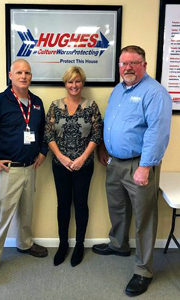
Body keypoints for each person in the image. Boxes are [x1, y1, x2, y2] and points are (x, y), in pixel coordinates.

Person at [92, 46, 172, 297]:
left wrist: (146, 167)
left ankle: (143, 270)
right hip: (115, 162)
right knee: (117, 208)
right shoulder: (118, 90)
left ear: (144, 65)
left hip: (140, 164)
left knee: (144, 218)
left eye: (133, 63)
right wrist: (104, 148)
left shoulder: (155, 92)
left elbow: (157, 134)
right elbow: (112, 123)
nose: (127, 67)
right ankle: (118, 244)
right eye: (123, 63)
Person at [0, 59, 48, 288]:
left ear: (31, 77)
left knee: (26, 211)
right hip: (7, 170)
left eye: (27, 73)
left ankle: (25, 244)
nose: (24, 76)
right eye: (19, 72)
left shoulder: (36, 103)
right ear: (10, 75)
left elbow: (42, 131)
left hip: (30, 168)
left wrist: (42, 151)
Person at [44, 66, 102, 267]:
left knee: (81, 204)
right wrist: (61, 157)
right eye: (70, 81)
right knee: (63, 205)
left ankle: (79, 245)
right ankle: (62, 245)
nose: (74, 85)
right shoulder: (55, 106)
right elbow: (48, 134)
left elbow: (96, 134)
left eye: (77, 81)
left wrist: (81, 158)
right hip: (60, 165)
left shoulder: (91, 106)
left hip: (83, 165)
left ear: (82, 83)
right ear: (65, 84)